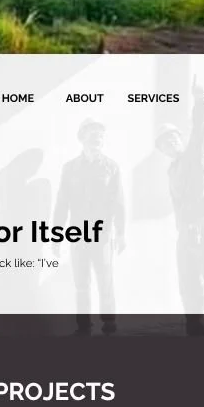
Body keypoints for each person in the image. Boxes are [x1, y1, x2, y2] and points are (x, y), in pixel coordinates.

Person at [155, 78, 204, 336]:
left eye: (172, 139)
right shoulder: (171, 170)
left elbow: (199, 126)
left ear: (180, 138)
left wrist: (199, 99)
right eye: (164, 143)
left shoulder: (195, 154)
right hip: (186, 231)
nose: (170, 144)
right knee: (188, 283)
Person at [53, 118, 126, 335]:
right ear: (82, 138)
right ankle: (83, 327)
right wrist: (56, 236)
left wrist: (121, 233)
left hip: (102, 235)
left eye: (101, 135)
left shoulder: (111, 167)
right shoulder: (70, 168)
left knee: (105, 281)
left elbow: (119, 203)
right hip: (77, 235)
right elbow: (61, 203)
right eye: (93, 133)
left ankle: (109, 324)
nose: (98, 138)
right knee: (81, 283)